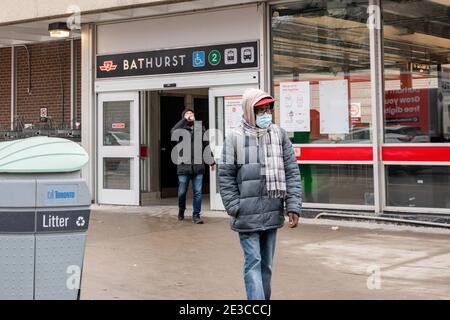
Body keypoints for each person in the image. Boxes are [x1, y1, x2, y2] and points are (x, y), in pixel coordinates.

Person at [218, 88, 302, 300]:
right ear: (249, 111)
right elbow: (225, 176)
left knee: (266, 266)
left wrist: (293, 206)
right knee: (253, 263)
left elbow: (292, 171)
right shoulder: (234, 138)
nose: (266, 114)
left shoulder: (279, 135)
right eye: (260, 110)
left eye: (268, 109)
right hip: (246, 214)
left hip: (273, 211)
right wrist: (235, 207)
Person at [171, 108, 215, 224]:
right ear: (184, 117)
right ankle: (181, 210)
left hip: (198, 166)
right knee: (182, 192)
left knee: (198, 192)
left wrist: (211, 161)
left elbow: (206, 145)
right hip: (183, 166)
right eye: (187, 114)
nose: (190, 115)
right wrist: (184, 120)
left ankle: (196, 215)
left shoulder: (200, 129)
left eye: (191, 113)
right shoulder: (180, 130)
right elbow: (173, 132)